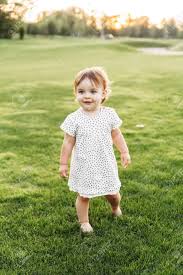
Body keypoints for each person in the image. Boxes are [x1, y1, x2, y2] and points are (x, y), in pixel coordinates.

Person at [59, 67, 131, 234]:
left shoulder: (109, 115)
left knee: (112, 193)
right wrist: (63, 163)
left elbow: (117, 136)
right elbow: (68, 143)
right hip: (84, 165)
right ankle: (84, 222)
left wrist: (124, 152)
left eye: (93, 91)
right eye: (81, 91)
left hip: (105, 163)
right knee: (84, 195)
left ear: (104, 93)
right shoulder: (73, 119)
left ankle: (115, 208)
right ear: (75, 93)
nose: (87, 96)